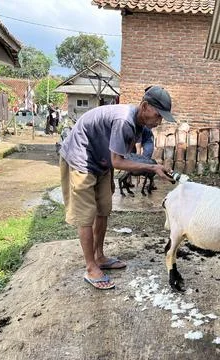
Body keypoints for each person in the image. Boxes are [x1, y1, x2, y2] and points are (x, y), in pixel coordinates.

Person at [59, 85, 175, 290]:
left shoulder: (141, 125)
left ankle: (100, 256)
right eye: (158, 115)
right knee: (86, 215)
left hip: (102, 161)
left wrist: (153, 166)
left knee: (103, 209)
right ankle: (91, 267)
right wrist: (153, 168)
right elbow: (118, 161)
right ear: (145, 106)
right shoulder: (124, 121)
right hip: (81, 158)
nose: (159, 121)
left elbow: (124, 155)